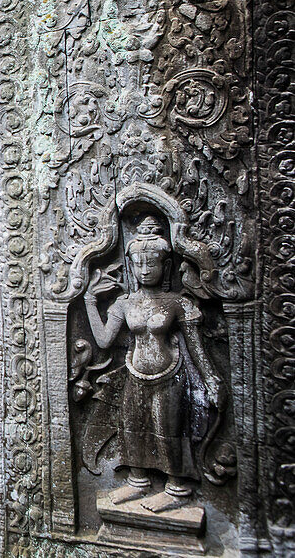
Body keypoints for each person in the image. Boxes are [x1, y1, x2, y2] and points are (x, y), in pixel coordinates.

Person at [84, 215, 223, 512]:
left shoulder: (177, 302)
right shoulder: (125, 302)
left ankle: (177, 488)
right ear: (132, 266)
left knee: (166, 431)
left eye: (152, 263)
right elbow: (104, 340)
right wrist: (90, 303)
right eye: (139, 264)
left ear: (166, 266)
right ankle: (138, 481)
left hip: (169, 375)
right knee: (131, 429)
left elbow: (196, 349)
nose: (146, 270)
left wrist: (212, 380)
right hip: (135, 374)